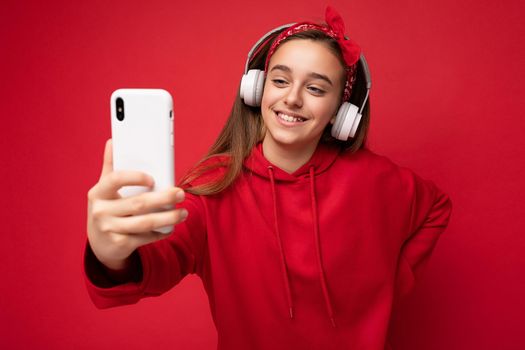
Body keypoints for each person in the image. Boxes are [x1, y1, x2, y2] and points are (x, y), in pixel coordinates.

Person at [84, 6, 452, 350]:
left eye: (315, 88)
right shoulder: (215, 185)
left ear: (342, 113)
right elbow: (155, 262)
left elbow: (435, 206)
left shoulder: (375, 179)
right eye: (280, 80)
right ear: (256, 89)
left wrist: (391, 284)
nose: (292, 98)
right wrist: (110, 254)